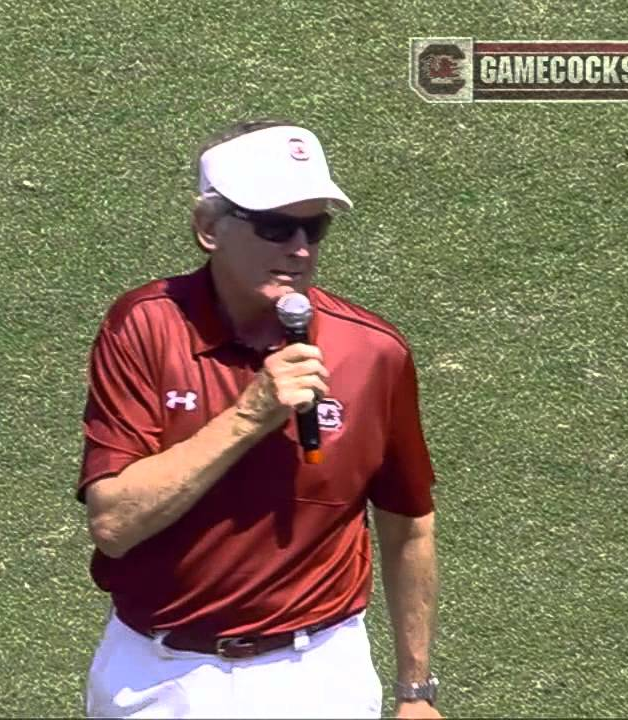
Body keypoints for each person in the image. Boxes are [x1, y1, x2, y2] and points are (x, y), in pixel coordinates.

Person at [77, 119, 441, 719]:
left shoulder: (372, 352)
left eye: (314, 225)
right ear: (208, 229)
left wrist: (416, 691)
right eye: (274, 225)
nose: (299, 248)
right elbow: (114, 522)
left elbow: (409, 526)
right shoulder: (144, 328)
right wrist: (251, 415)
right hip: (160, 677)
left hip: (315, 676)